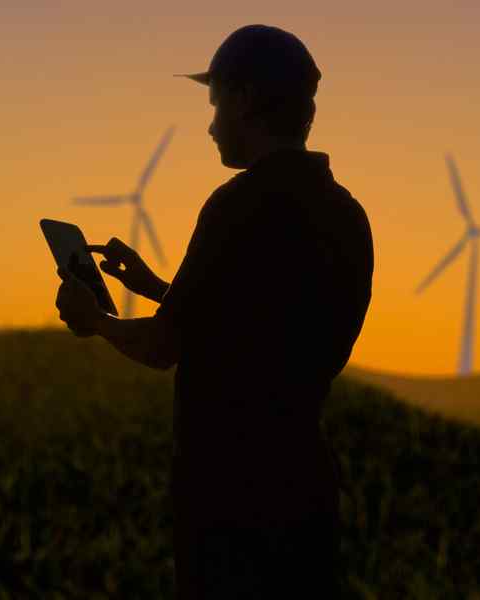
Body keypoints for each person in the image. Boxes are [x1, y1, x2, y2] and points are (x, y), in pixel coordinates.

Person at [55, 23, 374, 599]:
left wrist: (94, 320)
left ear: (245, 99)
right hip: (305, 492)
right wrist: (155, 285)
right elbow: (257, 321)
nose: (210, 125)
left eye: (216, 102)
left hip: (230, 503)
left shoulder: (238, 205)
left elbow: (164, 348)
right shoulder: (347, 215)